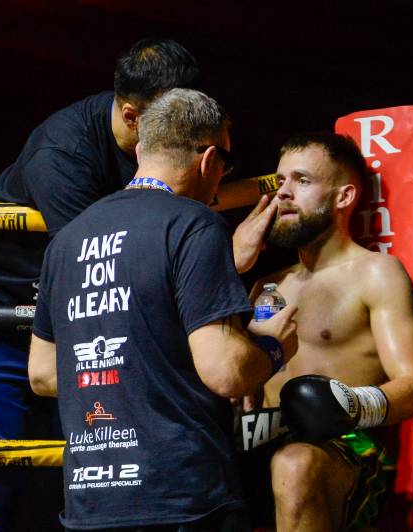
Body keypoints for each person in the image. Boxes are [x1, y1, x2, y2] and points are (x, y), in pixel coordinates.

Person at [0, 38, 202, 531]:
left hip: (79, 319)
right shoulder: (62, 153)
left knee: (96, 479)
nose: (183, 136)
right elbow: (100, 259)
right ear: (130, 115)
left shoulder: (172, 150)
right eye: (173, 122)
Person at [28, 88, 299, 531]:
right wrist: (273, 349)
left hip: (90, 501)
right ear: (209, 161)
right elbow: (225, 371)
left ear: (141, 151)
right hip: (181, 496)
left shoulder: (67, 241)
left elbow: (43, 374)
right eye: (226, 165)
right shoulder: (195, 223)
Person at [243, 131, 413, 531]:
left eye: (302, 181)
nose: (284, 194)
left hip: (343, 448)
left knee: (295, 464)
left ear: (344, 197)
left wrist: (348, 406)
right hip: (258, 445)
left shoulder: (376, 273)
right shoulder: (266, 285)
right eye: (280, 182)